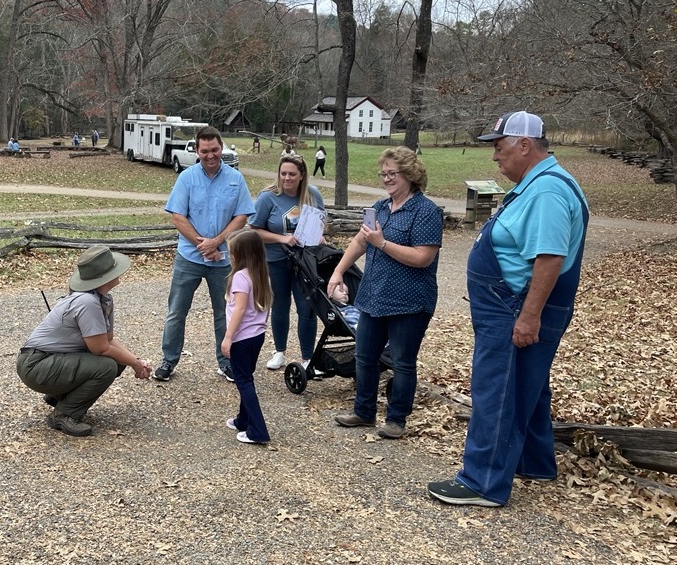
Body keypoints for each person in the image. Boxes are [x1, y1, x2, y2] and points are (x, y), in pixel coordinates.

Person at [428, 111, 588, 507]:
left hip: (514, 308)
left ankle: (482, 482)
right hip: (513, 306)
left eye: (499, 148)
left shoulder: (547, 192)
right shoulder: (541, 184)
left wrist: (529, 315)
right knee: (526, 385)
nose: (495, 158)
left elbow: (550, 258)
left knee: (497, 389)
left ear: (524, 145)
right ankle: (534, 462)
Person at [326, 146, 443, 439]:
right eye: (384, 174)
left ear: (410, 175)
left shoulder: (426, 212)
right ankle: (363, 412)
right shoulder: (378, 208)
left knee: (402, 363)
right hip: (373, 296)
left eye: (393, 173)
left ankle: (396, 420)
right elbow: (360, 242)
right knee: (365, 356)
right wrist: (338, 271)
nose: (387, 178)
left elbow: (422, 258)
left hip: (409, 301)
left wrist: (382, 243)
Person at [153, 126, 255, 382]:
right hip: (189, 257)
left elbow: (241, 216)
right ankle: (168, 360)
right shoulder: (187, 178)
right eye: (205, 151)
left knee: (225, 312)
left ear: (222, 148)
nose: (211, 155)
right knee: (177, 311)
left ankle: (226, 361)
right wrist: (204, 245)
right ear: (196, 151)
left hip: (223, 260)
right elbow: (178, 217)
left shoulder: (235, 178)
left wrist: (217, 242)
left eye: (215, 150)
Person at [16, 245, 153, 436]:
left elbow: (108, 340)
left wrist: (136, 361)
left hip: (51, 361)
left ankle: (61, 396)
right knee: (107, 365)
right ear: (105, 276)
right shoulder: (86, 302)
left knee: (118, 360)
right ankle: (64, 413)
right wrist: (135, 364)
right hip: (36, 365)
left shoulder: (102, 299)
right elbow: (101, 350)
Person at [250, 153, 326, 374]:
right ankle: (279, 352)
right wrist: (281, 238)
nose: (287, 178)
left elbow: (321, 223)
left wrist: (320, 236)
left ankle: (307, 358)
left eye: (292, 174)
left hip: (305, 262)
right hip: (276, 260)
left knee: (307, 307)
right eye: (283, 173)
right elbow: (254, 230)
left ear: (302, 175)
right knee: (280, 306)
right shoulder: (268, 197)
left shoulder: (312, 195)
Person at [221, 230, 272, 444]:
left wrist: (228, 337)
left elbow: (239, 309)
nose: (230, 255)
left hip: (241, 339)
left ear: (242, 255)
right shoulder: (261, 275)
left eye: (232, 252)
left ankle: (258, 430)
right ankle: (243, 420)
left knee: (243, 381)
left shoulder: (240, 278)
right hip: (256, 336)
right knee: (247, 378)